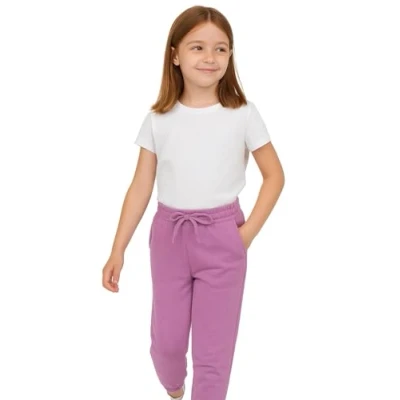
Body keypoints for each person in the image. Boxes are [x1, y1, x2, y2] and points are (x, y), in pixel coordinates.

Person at [102, 5, 285, 400]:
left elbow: (275, 176)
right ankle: (174, 387)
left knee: (213, 354)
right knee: (166, 346)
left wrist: (245, 235)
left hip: (223, 238)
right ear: (175, 55)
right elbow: (140, 187)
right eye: (197, 47)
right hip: (169, 238)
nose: (210, 57)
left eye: (221, 49)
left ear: (231, 55)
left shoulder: (243, 114)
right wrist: (118, 249)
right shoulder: (158, 119)